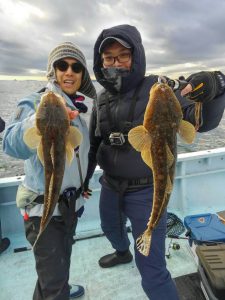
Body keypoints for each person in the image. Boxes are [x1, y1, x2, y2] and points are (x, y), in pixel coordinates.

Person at [83, 24, 225, 300]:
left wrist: (217, 86)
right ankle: (122, 251)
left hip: (147, 189)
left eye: (123, 55)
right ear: (100, 62)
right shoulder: (101, 98)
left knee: (151, 267)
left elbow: (201, 121)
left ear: (136, 56)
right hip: (110, 184)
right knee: (109, 227)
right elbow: (94, 142)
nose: (116, 62)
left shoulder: (159, 87)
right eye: (109, 57)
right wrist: (86, 179)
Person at [3, 42, 96, 300]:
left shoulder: (76, 108)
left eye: (76, 67)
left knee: (57, 266)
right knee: (54, 282)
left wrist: (82, 184)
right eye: (62, 65)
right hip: (43, 211)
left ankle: (58, 286)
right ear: (52, 71)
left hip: (68, 207)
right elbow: (9, 143)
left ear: (82, 74)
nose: (69, 72)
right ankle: (58, 291)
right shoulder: (35, 102)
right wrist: (38, 121)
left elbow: (77, 154)